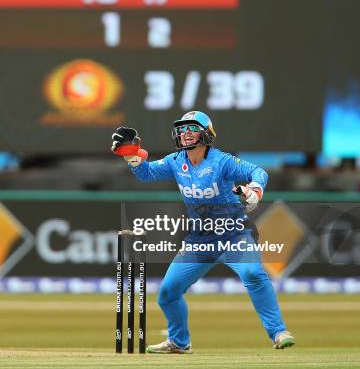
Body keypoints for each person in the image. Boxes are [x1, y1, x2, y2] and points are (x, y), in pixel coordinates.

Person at [111, 111, 295, 353]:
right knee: (168, 293)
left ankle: (278, 332)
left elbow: (259, 172)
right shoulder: (176, 162)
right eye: (182, 129)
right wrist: (131, 154)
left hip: (234, 234)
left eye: (192, 128)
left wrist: (254, 191)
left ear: (206, 133)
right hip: (201, 239)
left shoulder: (221, 162)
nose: (185, 133)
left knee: (253, 273)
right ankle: (179, 342)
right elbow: (146, 173)